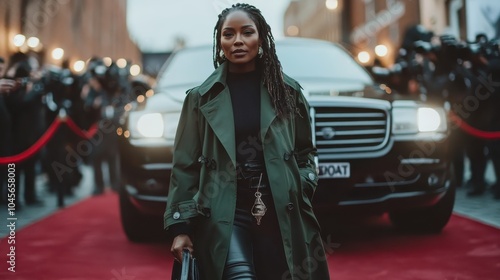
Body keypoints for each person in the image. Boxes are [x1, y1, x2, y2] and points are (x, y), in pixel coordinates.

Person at [165, 3, 330, 280]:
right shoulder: (200, 98)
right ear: (220, 43)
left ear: (261, 38)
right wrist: (180, 227)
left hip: (280, 211)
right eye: (228, 34)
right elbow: (184, 167)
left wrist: (299, 184)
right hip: (223, 213)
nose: (238, 41)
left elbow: (305, 151)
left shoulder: (288, 92)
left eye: (247, 32)